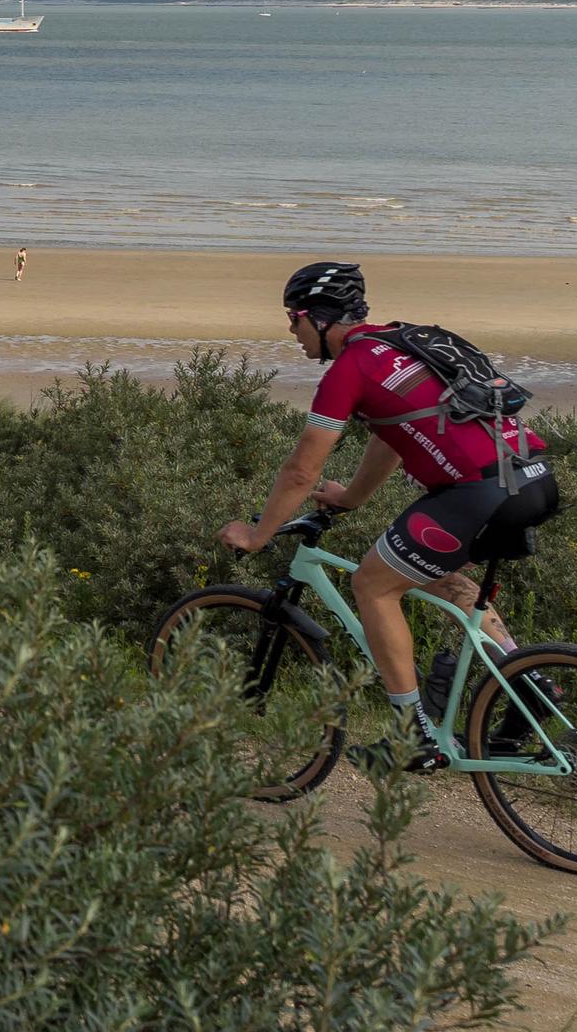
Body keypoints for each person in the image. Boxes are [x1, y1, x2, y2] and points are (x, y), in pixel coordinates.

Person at [218, 259, 556, 763]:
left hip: (479, 491)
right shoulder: (403, 342)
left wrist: (257, 534)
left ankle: (410, 736)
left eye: (294, 318)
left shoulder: (350, 368)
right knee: (439, 577)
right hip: (533, 478)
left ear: (321, 318)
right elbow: (391, 436)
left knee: (373, 584)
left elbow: (300, 470)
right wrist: (351, 498)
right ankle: (527, 680)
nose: (292, 329)